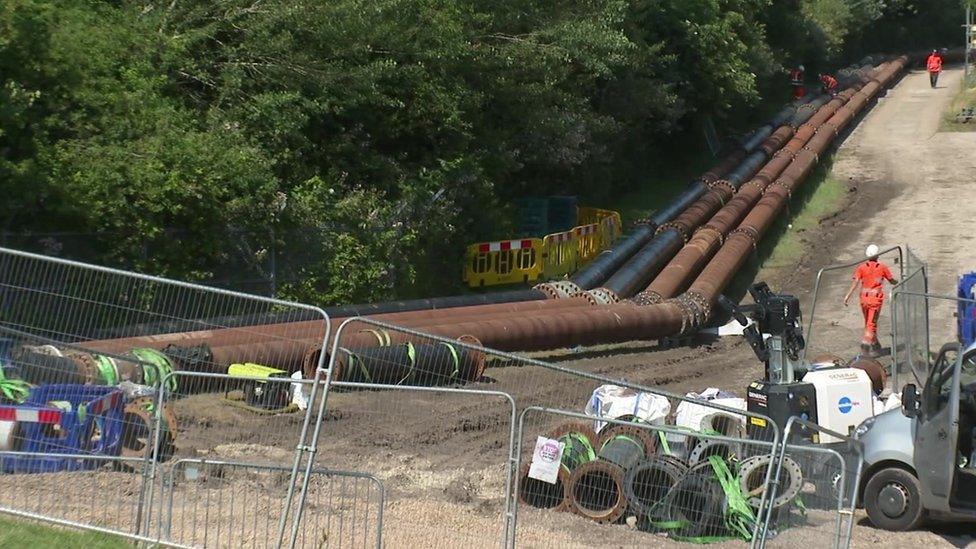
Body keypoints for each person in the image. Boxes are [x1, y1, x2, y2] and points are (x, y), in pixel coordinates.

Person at [844, 245, 898, 357]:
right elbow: (892, 280)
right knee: (871, 324)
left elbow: (855, 282)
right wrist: (898, 282)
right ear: (877, 255)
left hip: (864, 300)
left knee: (868, 323)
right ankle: (865, 348)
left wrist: (847, 296)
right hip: (875, 301)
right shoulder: (882, 267)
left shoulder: (862, 267)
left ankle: (875, 344)